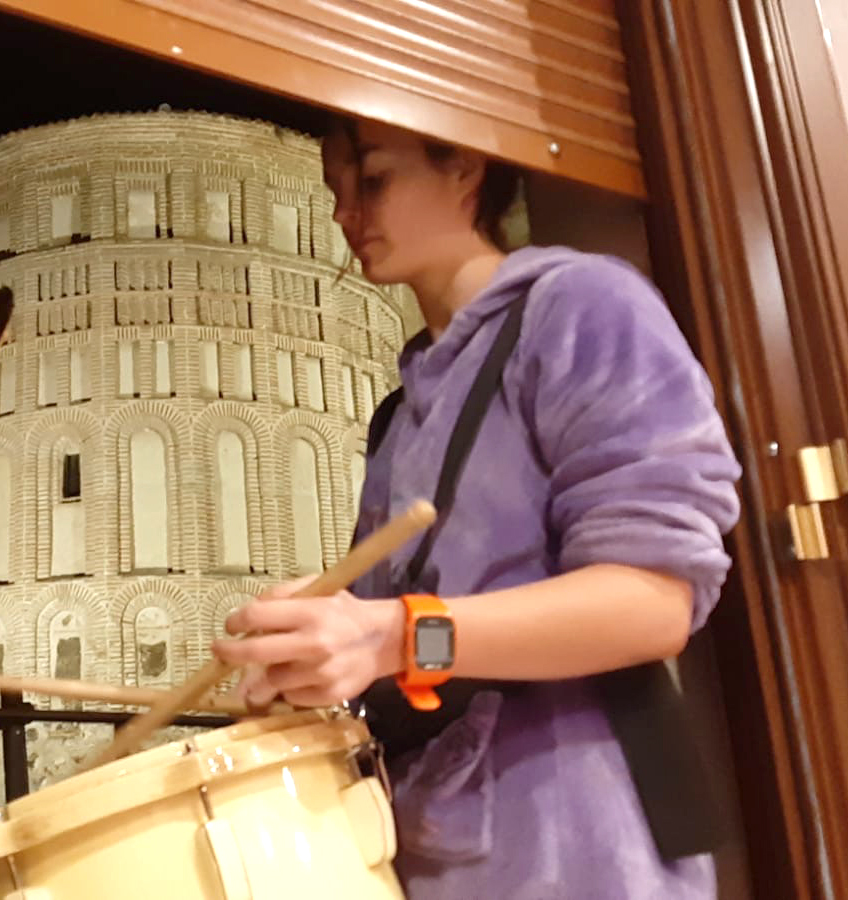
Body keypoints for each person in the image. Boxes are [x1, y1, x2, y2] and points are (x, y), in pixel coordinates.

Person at [214, 116, 742, 898]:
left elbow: (651, 603)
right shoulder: (397, 417)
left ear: (463, 165)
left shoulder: (584, 307)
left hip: (586, 845)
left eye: (373, 179)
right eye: (335, 192)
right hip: (432, 848)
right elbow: (382, 648)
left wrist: (391, 634)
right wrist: (311, 659)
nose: (345, 214)